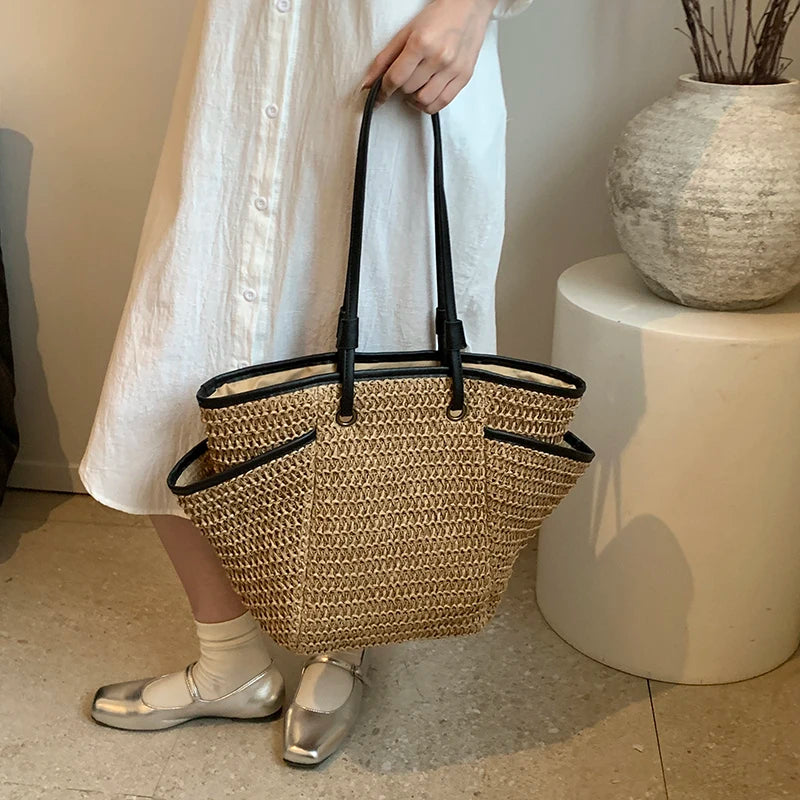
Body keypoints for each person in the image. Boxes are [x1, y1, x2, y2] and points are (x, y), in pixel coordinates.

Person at [79, 0, 533, 767]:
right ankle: (230, 663)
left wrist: (470, 6)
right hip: (242, 72)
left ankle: (341, 649)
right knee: (171, 379)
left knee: (378, 386)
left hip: (396, 63)